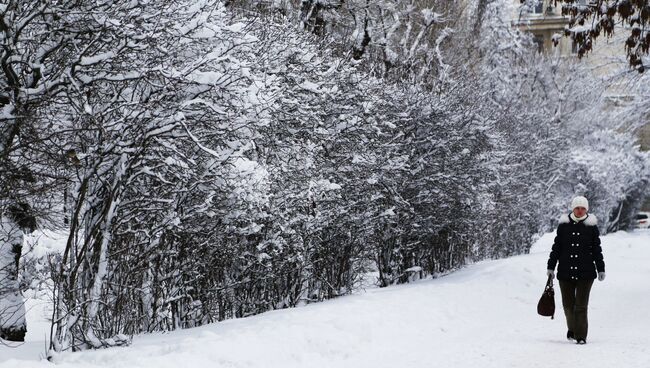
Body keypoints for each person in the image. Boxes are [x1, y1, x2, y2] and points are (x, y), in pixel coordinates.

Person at [546, 196, 605, 345]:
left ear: (586, 209)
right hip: (565, 272)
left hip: (586, 273)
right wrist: (551, 266)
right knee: (567, 305)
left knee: (581, 306)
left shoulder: (591, 227)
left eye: (583, 208)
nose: (580, 211)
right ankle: (572, 329)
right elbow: (556, 248)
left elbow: (597, 250)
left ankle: (580, 336)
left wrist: (601, 269)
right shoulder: (563, 226)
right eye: (577, 208)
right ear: (573, 209)